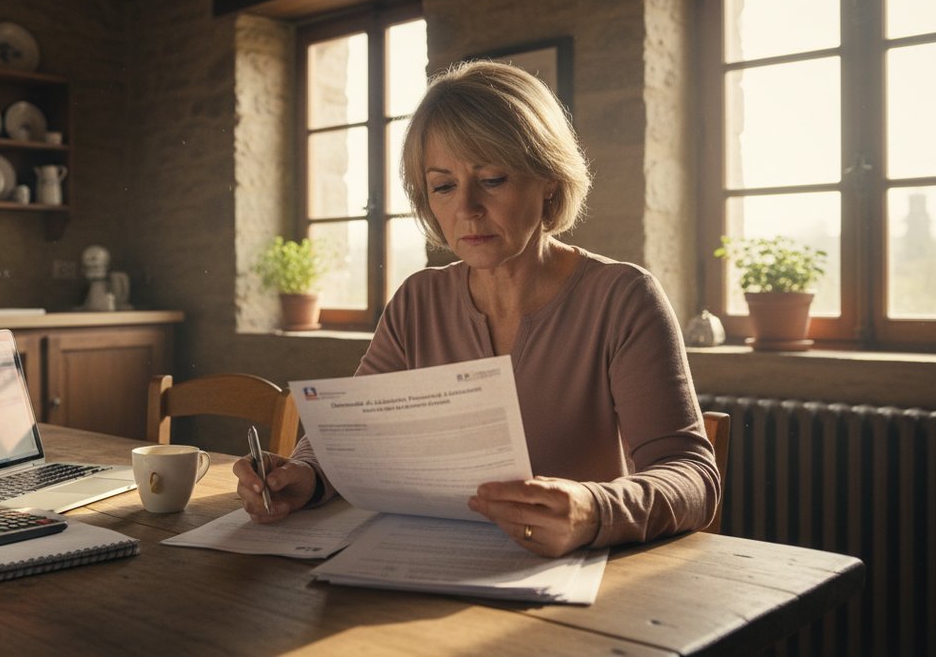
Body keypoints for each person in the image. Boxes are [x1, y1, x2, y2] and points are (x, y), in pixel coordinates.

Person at [233, 60, 720, 557]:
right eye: (443, 186)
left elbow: (693, 478)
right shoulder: (417, 301)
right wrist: (307, 475)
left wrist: (594, 509)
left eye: (492, 178)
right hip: (425, 563)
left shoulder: (622, 297)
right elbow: (356, 437)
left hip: (569, 583)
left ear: (548, 179)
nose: (466, 208)